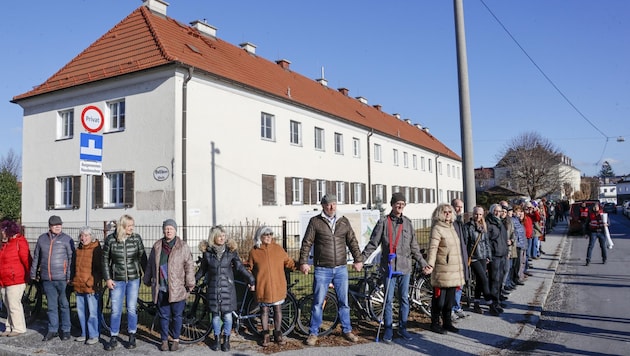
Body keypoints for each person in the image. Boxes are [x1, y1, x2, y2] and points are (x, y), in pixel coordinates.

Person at [298, 194, 364, 346]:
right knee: (318, 302)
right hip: (322, 268)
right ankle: (313, 333)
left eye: (334, 204)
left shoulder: (343, 221)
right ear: (323, 206)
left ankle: (347, 330)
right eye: (329, 204)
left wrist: (358, 259)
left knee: (344, 302)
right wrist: (303, 262)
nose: (332, 207)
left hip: (341, 268)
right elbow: (307, 242)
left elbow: (352, 241)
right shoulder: (315, 222)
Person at [362, 192, 428, 343]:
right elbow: (373, 243)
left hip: (405, 267)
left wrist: (423, 263)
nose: (400, 206)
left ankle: (403, 328)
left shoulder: (408, 223)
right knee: (388, 300)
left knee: (404, 299)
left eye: (403, 204)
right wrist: (361, 259)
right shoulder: (383, 222)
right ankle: (388, 330)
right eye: (398, 203)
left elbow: (414, 247)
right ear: (392, 205)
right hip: (389, 268)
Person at [197, 225, 255, 352]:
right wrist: (192, 281)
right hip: (213, 288)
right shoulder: (207, 253)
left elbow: (239, 267)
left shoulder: (231, 251)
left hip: (227, 289)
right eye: (219, 236)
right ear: (214, 237)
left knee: (228, 316)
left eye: (224, 236)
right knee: (216, 316)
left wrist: (250, 278)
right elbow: (202, 271)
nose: (222, 238)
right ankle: (217, 340)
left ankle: (226, 340)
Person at [144, 219, 195, 352]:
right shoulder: (157, 246)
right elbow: (150, 264)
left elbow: (189, 265)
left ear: (175, 230)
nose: (168, 231)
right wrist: (147, 279)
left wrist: (190, 282)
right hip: (161, 287)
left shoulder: (182, 246)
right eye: (166, 228)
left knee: (177, 315)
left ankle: (176, 340)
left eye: (171, 229)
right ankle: (164, 340)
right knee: (163, 315)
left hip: (177, 288)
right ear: (163, 230)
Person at [102, 214, 147, 351]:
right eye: (129, 226)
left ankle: (132, 335)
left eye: (133, 226)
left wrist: (148, 276)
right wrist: (108, 279)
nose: (132, 228)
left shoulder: (136, 238)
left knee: (131, 308)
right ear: (122, 226)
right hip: (117, 280)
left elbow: (143, 257)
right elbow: (104, 261)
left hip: (133, 279)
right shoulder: (110, 240)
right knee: (116, 310)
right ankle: (114, 336)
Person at [247, 226, 296, 347]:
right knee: (264, 310)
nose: (269, 236)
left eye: (270, 234)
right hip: (263, 286)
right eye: (266, 234)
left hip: (277, 285)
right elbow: (249, 268)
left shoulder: (278, 249)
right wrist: (250, 280)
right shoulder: (254, 251)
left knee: (278, 309)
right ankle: (265, 334)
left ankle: (278, 332)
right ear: (260, 236)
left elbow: (288, 262)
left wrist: (300, 265)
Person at [31, 215, 75, 341]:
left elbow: (72, 258)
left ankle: (66, 330)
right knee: (51, 306)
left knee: (64, 304)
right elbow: (36, 257)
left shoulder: (67, 239)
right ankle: (53, 329)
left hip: (62, 279)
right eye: (55, 225)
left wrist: (69, 276)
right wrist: (33, 273)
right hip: (47, 278)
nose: (58, 227)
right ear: (50, 226)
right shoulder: (42, 239)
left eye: (59, 225)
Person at [426, 203, 464, 334]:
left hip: (453, 270)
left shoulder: (452, 227)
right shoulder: (437, 228)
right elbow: (433, 248)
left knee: (449, 300)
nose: (447, 214)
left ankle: (447, 322)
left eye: (449, 211)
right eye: (445, 212)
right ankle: (435, 323)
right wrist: (430, 265)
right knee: (439, 300)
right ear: (439, 213)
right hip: (442, 269)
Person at [71, 226, 103, 345]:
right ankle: (84, 333)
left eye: (86, 236)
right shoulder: (78, 250)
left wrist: (92, 281)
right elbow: (74, 267)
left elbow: (99, 269)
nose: (83, 238)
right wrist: (74, 279)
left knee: (93, 313)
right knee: (81, 312)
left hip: (91, 287)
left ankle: (94, 335)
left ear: (91, 236)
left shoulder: (97, 249)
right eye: (81, 236)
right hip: (79, 285)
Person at [0, 220, 32, 337]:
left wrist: (30, 275)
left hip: (15, 279)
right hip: (4, 280)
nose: (1, 232)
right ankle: (9, 326)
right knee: (8, 304)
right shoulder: (5, 244)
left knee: (14, 304)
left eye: (3, 230)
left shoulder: (19, 242)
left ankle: (19, 328)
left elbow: (26, 260)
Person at [462, 206, 492, 315]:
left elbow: (486, 242)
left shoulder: (483, 226)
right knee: (484, 279)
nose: (478, 216)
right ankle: (490, 303)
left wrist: (488, 255)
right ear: (472, 214)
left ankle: (476, 303)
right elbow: (465, 242)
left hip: (483, 256)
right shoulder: (468, 227)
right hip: (473, 257)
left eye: (480, 214)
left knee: (480, 281)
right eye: (476, 214)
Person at [485, 204, 508, 315]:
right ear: (491, 211)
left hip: (502, 254)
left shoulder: (500, 223)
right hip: (494, 255)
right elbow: (487, 241)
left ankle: (498, 300)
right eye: (495, 211)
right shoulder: (489, 223)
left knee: (499, 279)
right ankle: (493, 303)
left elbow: (504, 239)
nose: (498, 213)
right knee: (494, 280)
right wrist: (489, 255)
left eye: (499, 211)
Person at [449, 198, 469, 322]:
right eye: (457, 206)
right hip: (453, 259)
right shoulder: (450, 222)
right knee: (452, 286)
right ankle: (450, 309)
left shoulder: (460, 222)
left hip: (462, 256)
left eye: (461, 207)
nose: (459, 209)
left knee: (459, 285)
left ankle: (457, 306)